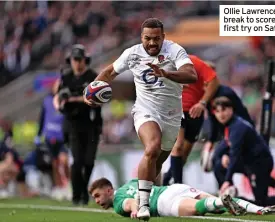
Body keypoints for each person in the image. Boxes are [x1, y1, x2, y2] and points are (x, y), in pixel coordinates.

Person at [83, 18, 197, 220]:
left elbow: (191, 75)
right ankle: (142, 205)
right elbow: (109, 72)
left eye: (156, 39)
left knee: (158, 163)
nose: (152, 43)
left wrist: (166, 73)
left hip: (172, 116)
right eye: (147, 38)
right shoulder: (132, 53)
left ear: (163, 37)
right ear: (141, 37)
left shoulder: (175, 50)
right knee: (152, 147)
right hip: (145, 111)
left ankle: (152, 198)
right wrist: (91, 90)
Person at [201, 62, 275, 197]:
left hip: (239, 133)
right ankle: (231, 191)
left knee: (232, 161)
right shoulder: (208, 95)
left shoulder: (225, 93)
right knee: (225, 162)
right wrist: (209, 143)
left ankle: (228, 189)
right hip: (229, 133)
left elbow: (238, 116)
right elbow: (213, 120)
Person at [211, 96, 275, 213]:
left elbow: (235, 154)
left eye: (223, 109)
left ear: (231, 109)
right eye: (217, 111)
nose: (221, 114)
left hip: (259, 163)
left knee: (261, 202)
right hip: (249, 163)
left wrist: (227, 180)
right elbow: (226, 147)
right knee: (219, 164)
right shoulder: (231, 125)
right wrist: (223, 155)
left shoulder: (237, 127)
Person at [89, 177, 275, 219]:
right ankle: (259, 209)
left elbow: (129, 203)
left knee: (201, 208)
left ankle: (221, 200)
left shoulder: (117, 202)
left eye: (98, 195)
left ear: (109, 190)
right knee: (222, 207)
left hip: (164, 203)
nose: (97, 201)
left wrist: (135, 209)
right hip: (174, 188)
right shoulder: (131, 182)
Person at [53, 44, 102, 206]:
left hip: (91, 124)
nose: (77, 63)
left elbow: (95, 98)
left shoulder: (92, 76)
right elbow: (57, 96)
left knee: (89, 161)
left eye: (80, 59)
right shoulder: (65, 77)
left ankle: (83, 191)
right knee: (77, 161)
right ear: (71, 61)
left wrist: (73, 99)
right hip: (73, 124)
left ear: (85, 60)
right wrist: (59, 104)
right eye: (75, 59)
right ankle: (77, 195)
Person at [163, 55, 219, 185]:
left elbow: (213, 82)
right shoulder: (169, 65)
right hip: (176, 111)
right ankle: (178, 185)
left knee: (184, 155)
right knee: (178, 146)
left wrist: (202, 103)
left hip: (194, 114)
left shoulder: (203, 77)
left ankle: (167, 178)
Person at [35, 81, 70, 191]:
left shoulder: (66, 102)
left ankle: (70, 185)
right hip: (50, 137)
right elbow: (42, 118)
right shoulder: (47, 101)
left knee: (64, 161)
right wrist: (38, 134)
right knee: (54, 164)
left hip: (62, 137)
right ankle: (58, 188)